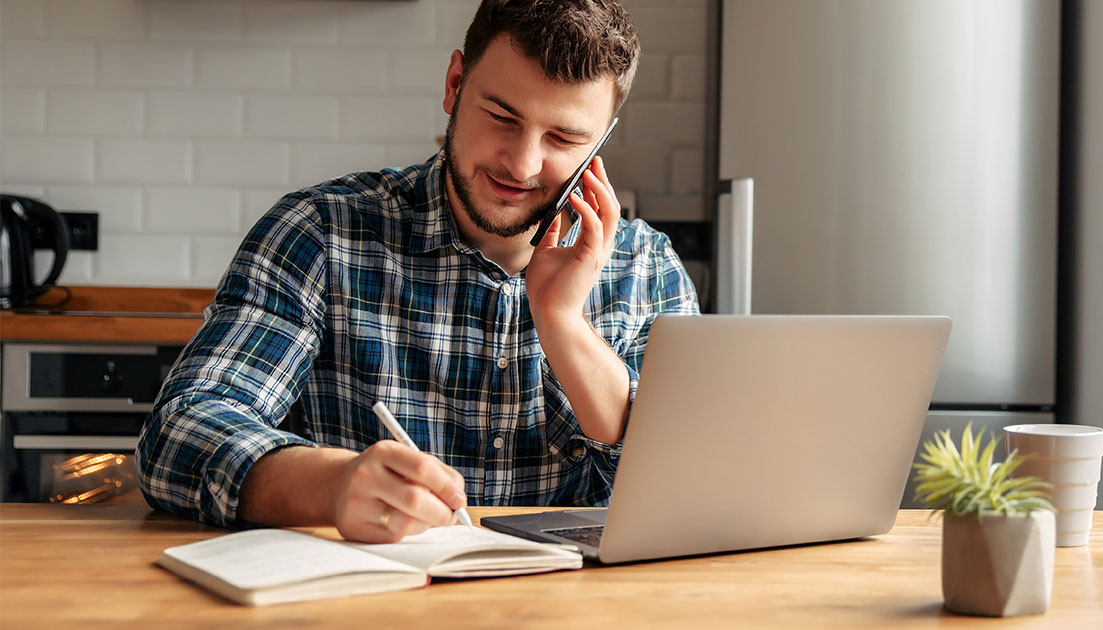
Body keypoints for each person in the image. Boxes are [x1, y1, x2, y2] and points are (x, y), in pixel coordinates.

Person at [135, 0, 699, 544]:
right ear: (455, 84)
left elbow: (695, 485)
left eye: (564, 138)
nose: (523, 164)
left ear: (602, 139)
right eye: (502, 116)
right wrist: (331, 485)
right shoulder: (321, 232)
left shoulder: (646, 267)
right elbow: (180, 432)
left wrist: (563, 323)